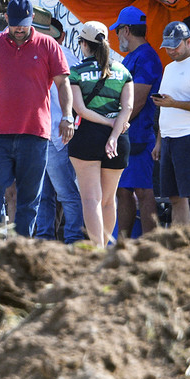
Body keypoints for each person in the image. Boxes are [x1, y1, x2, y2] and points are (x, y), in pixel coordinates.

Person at [0, 0, 75, 237]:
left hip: (35, 134)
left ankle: (20, 251)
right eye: (15, 23)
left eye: (25, 24)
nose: (20, 29)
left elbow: (63, 84)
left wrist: (67, 115)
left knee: (31, 199)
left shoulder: (49, 45)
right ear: (6, 18)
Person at [67, 21, 134, 248]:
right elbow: (128, 108)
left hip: (87, 135)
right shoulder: (123, 71)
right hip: (118, 138)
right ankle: (105, 250)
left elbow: (80, 110)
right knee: (108, 200)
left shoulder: (76, 72)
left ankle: (96, 253)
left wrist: (106, 122)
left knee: (91, 199)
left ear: (84, 44)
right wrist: (114, 134)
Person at [152, 20, 190, 226]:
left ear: (188, 42)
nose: (171, 50)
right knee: (175, 197)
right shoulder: (169, 68)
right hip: (170, 138)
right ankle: (181, 242)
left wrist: (174, 103)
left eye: (175, 45)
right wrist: (160, 141)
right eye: (168, 46)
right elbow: (165, 106)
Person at [111, 6, 163, 238]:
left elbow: (138, 100)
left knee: (144, 191)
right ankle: (122, 243)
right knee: (123, 190)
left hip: (140, 135)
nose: (117, 36)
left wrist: (114, 126)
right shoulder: (132, 57)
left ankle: (152, 246)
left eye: (118, 31)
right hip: (128, 135)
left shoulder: (147, 57)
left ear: (127, 30)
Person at [35, 19, 85, 243]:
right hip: (52, 131)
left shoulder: (53, 54)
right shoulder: (67, 55)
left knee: (57, 193)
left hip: (52, 131)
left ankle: (63, 237)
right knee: (54, 192)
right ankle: (62, 237)